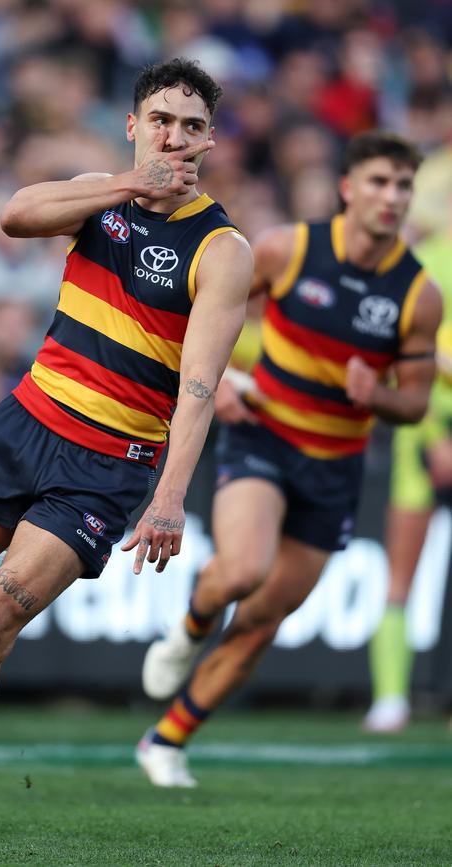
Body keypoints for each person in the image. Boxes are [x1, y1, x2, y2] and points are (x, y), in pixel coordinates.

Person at [0, 57, 253, 845]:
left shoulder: (223, 247)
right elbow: (14, 213)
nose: (174, 137)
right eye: (160, 120)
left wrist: (170, 495)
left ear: (211, 140)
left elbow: (200, 385)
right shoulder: (99, 198)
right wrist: (126, 185)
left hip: (107, 466)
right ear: (135, 124)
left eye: (192, 125)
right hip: (23, 425)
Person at [136, 130, 442, 788]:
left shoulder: (418, 295)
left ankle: (167, 740)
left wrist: (379, 397)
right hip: (265, 434)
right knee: (241, 571)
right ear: (348, 189)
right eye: (381, 182)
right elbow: (201, 312)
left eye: (403, 186)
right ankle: (190, 628)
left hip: (336, 466)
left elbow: (416, 403)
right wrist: (219, 385)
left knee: (264, 618)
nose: (392, 198)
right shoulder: (286, 248)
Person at [364, 223, 452, 733]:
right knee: (402, 574)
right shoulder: (426, 259)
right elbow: (409, 352)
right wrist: (436, 431)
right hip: (425, 431)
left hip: (429, 427)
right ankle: (390, 698)